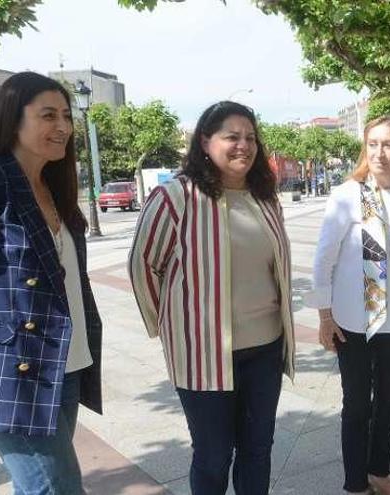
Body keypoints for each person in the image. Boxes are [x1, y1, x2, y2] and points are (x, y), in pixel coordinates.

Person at [129, 101, 295, 495]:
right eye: (231, 137)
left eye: (251, 137)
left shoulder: (265, 198)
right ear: (205, 141)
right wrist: (173, 326)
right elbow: (144, 267)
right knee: (213, 454)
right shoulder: (176, 197)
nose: (244, 145)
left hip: (265, 349)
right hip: (203, 356)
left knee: (258, 449)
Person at [0, 71, 102, 494]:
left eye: (67, 116)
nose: (63, 127)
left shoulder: (54, 188)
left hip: (62, 362)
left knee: (36, 485)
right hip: (8, 372)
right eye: (48, 115)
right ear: (13, 120)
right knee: (57, 487)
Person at [305, 116, 390, 495]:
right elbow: (323, 259)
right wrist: (325, 317)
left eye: (389, 144)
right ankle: (355, 484)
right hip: (352, 322)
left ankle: (378, 472)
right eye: (372, 144)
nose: (379, 153)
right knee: (357, 406)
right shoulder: (347, 195)